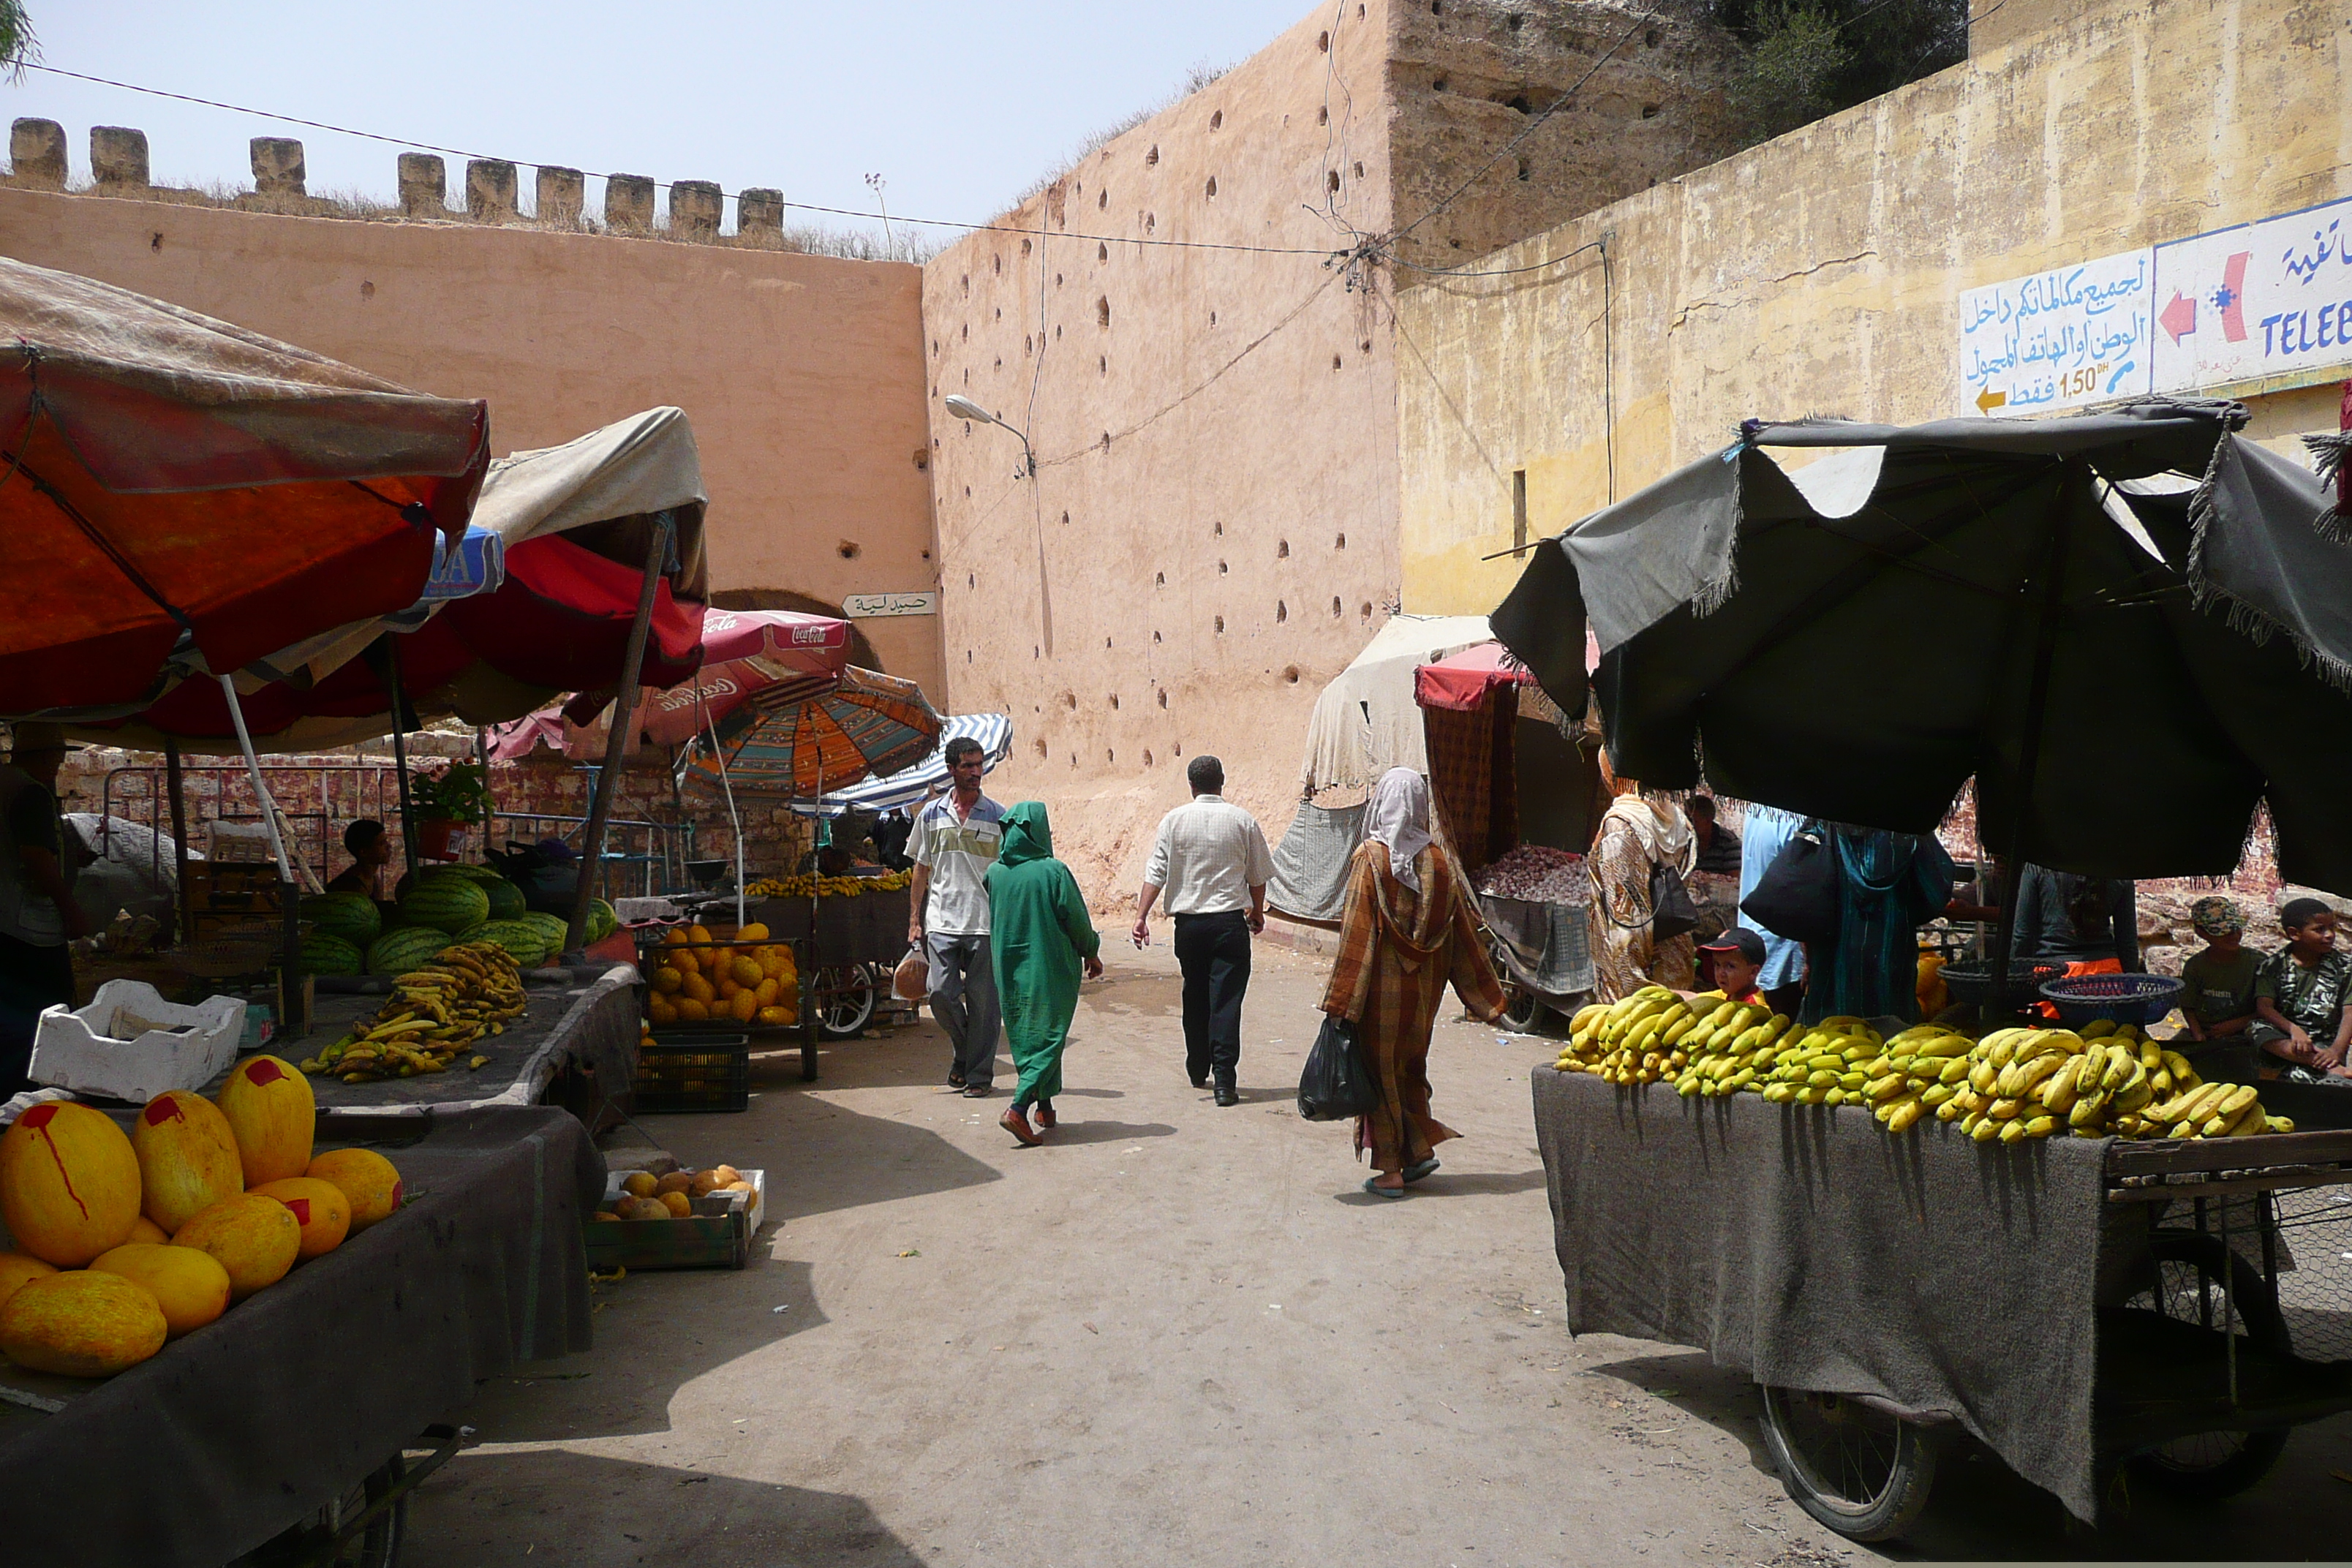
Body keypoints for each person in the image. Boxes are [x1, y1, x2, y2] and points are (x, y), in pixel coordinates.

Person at [1321, 769, 1506, 1197]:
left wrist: (1342, 1001)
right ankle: (1419, 1151)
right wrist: (1489, 999)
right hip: (1424, 997)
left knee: (1379, 1073)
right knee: (1410, 1068)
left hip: (1378, 996)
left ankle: (1390, 1170)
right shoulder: (1441, 865)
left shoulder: (1370, 860)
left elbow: (1357, 933)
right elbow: (1464, 935)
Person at [1134, 754, 1273, 1107]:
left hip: (1190, 926)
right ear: (1222, 782)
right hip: (1229, 924)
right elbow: (1257, 875)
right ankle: (1225, 1082)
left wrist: (1141, 916)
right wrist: (1256, 912)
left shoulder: (1174, 821)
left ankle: (1198, 1066)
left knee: (1194, 995)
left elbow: (1156, 872)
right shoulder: (1243, 820)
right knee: (1226, 1002)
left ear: (1191, 785)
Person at [985, 802, 1104, 1145]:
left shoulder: (994, 873)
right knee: (1050, 1034)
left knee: (1025, 1034)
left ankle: (1046, 1105)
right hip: (1050, 967)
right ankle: (1018, 1108)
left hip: (1008, 968)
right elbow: (1077, 921)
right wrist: (1091, 952)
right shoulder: (1054, 872)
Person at [907, 737, 1006, 1096]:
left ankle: (978, 1077)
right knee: (939, 994)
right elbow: (921, 869)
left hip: (985, 924)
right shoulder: (931, 815)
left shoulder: (998, 815)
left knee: (984, 1007)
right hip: (942, 923)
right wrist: (914, 920)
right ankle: (965, 1052)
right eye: (967, 765)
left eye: (979, 765)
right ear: (951, 769)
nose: (976, 772)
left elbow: (1007, 871)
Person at [0, 725, 87, 1096]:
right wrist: (70, 908)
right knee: (50, 1014)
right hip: (27, 925)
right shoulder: (30, 793)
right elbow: (36, 857)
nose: (60, 764)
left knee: (10, 1011)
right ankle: (42, 1092)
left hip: (3, 922)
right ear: (44, 757)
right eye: (57, 756)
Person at [1798, 824, 1956, 1026]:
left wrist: (1807, 961)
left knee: (1828, 1047)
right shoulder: (1910, 830)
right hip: (1890, 962)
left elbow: (1800, 899)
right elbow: (1937, 892)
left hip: (1831, 972)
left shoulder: (1823, 826)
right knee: (1893, 1045)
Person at [1586, 758, 1698, 1002]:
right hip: (1675, 963)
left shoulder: (1622, 825)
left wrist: (1634, 991)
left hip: (1641, 985)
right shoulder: (1679, 822)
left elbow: (1627, 923)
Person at [2250, 897, 2352, 1084]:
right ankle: (2329, 1067)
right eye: (2319, 930)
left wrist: (2337, 1050)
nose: (2330, 935)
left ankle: (2329, 1065)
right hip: (2288, 1038)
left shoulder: (2345, 967)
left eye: (2332, 927)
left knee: (2330, 1088)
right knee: (2257, 1027)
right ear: (2294, 934)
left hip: (2324, 1039)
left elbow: (2349, 1011)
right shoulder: (2273, 966)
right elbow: (2264, 1007)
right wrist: (2294, 1030)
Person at [1738, 804, 1810, 1018]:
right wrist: (1810, 959)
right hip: (1784, 952)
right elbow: (1801, 890)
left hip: (1757, 940)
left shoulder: (1757, 810)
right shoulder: (1797, 818)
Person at [2013, 865, 2138, 975]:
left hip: (2052, 978)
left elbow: (2022, 936)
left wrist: (2015, 978)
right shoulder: (2119, 869)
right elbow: (2128, 943)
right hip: (2107, 979)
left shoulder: (2037, 867)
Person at [2177, 896, 2258, 1047]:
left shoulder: (2258, 963)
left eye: (2236, 929)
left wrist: (2237, 1024)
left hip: (2248, 1030)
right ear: (2201, 933)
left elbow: (2268, 1008)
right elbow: (2188, 1006)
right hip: (2207, 1033)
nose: (2233, 936)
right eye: (2223, 932)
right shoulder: (2195, 966)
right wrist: (2198, 1034)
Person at [1697, 927, 1767, 1008]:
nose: (1720, 973)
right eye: (1717, 964)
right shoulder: (1729, 994)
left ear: (1753, 972)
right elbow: (1692, 997)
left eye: (1730, 966)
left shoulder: (1756, 1011)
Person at [326, 820, 395, 902]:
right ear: (364, 852)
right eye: (381, 843)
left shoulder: (374, 880)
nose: (388, 846)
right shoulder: (352, 886)